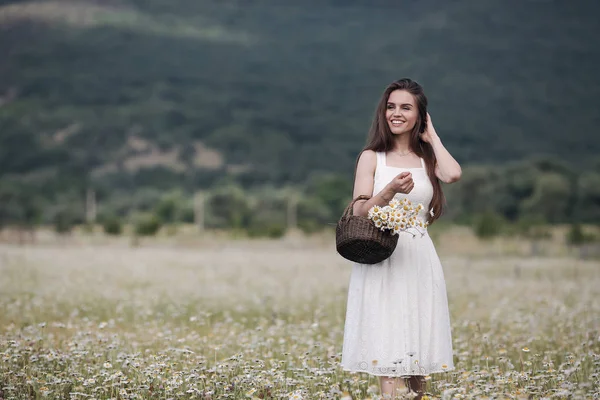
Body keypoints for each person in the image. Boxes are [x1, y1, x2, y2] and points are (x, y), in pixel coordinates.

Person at [340, 78, 462, 399]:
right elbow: (359, 211)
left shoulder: (427, 159)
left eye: (406, 108)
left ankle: (418, 395)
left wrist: (432, 136)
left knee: (418, 337)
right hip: (383, 255)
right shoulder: (372, 157)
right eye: (391, 107)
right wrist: (389, 190)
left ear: (419, 115)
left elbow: (452, 174)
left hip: (419, 255)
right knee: (387, 332)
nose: (396, 113)